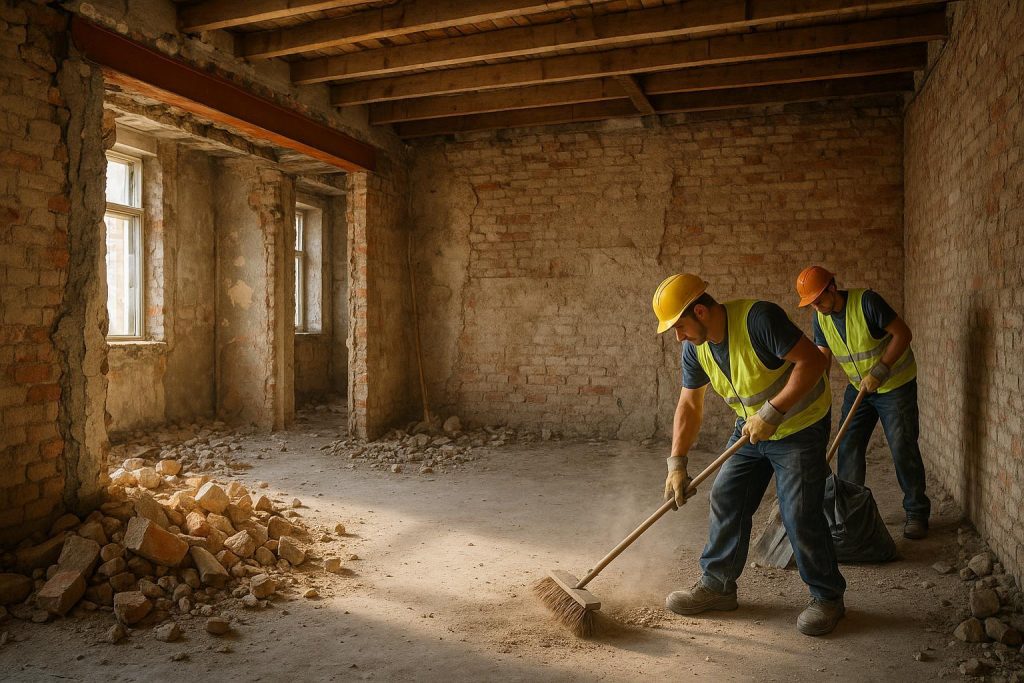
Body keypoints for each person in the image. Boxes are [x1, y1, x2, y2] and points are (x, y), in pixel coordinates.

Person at [652, 273, 846, 636]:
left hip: (800, 426)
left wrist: (772, 412)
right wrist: (676, 463)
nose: (678, 336)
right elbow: (689, 405)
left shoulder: (759, 319)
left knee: (798, 511)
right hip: (752, 429)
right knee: (727, 496)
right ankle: (718, 586)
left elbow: (814, 363)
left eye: (680, 326)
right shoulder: (695, 347)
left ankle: (828, 597)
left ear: (700, 311)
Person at [795, 265, 930, 539]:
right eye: (811, 304)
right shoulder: (820, 318)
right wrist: (813, 393)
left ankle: (916, 512)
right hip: (860, 389)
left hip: (894, 385)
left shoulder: (867, 302)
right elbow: (823, 358)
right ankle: (848, 514)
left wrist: (881, 370)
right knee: (848, 446)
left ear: (832, 287)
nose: (817, 307)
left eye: (819, 300)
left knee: (902, 446)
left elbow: (903, 334)